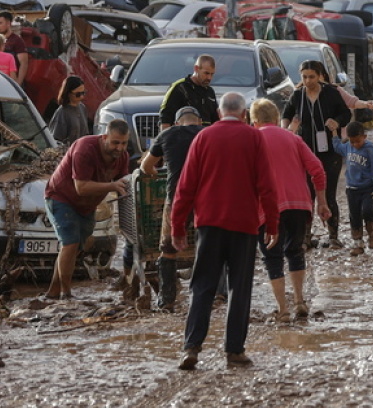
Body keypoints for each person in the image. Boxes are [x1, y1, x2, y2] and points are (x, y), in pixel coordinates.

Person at [172, 93, 278, 370]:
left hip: (208, 224)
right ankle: (233, 351)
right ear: (244, 115)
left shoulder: (203, 138)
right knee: (239, 288)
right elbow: (267, 185)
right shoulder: (254, 138)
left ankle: (191, 348)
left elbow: (185, 187)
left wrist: (177, 225)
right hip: (243, 225)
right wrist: (273, 224)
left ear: (219, 113)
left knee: (202, 286)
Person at [250, 99, 327, 322]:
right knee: (295, 251)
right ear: (276, 119)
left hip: (267, 209)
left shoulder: (253, 141)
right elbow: (318, 170)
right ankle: (300, 301)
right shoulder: (294, 139)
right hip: (299, 206)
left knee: (272, 257)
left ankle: (283, 310)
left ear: (254, 122)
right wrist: (322, 202)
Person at [43, 121, 131, 300]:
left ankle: (52, 293)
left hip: (87, 205)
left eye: (124, 143)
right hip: (61, 197)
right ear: (104, 137)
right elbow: (81, 187)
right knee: (70, 243)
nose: (119, 148)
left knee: (74, 248)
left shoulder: (123, 156)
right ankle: (66, 295)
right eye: (115, 143)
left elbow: (125, 185)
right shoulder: (85, 148)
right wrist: (112, 185)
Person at [138, 106, 204, 311]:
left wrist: (159, 174)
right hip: (205, 197)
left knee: (168, 249)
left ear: (177, 123)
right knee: (209, 245)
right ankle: (216, 295)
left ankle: (167, 300)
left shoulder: (167, 134)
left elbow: (145, 166)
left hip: (176, 196)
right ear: (199, 122)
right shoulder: (206, 133)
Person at [282, 59, 351, 247]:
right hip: (305, 152)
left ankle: (333, 235)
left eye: (312, 77)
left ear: (320, 76)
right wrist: (286, 130)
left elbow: (346, 114)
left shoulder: (331, 93)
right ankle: (305, 237)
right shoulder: (297, 96)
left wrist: (337, 122)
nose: (308, 81)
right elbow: (286, 114)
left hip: (330, 151)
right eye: (304, 77)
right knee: (307, 195)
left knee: (329, 193)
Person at [330, 120, 373, 256]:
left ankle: (372, 233)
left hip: (367, 188)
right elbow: (336, 146)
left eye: (358, 141)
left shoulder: (370, 148)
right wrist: (334, 132)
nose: (355, 144)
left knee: (368, 211)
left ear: (364, 137)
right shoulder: (347, 147)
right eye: (352, 141)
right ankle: (357, 243)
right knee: (354, 216)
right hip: (352, 189)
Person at [159, 55, 219, 128]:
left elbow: (215, 121)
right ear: (196, 68)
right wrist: (166, 138)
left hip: (205, 137)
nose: (209, 78)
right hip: (183, 136)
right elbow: (165, 118)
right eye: (206, 73)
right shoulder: (180, 88)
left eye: (212, 74)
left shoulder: (210, 92)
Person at [47, 76, 89, 147]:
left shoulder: (82, 107)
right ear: (68, 93)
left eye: (83, 93)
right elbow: (55, 141)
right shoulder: (62, 113)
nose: (82, 97)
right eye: (78, 94)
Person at [0, 11, 28, 86]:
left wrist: (18, 83)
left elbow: (24, 63)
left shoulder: (17, 41)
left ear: (8, 23)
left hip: (11, 82)